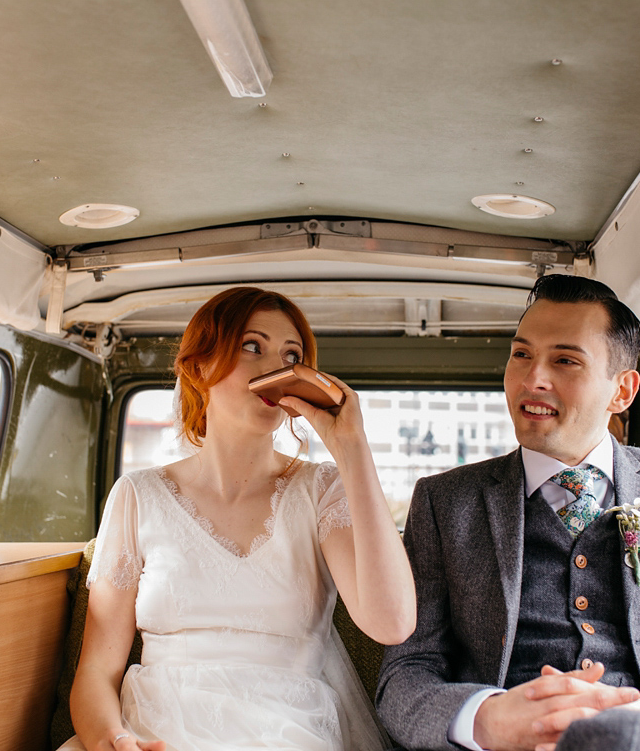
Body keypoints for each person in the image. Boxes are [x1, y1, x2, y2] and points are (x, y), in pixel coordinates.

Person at [376, 275, 640, 751]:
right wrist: (486, 720)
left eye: (565, 360)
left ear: (622, 391)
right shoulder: (444, 503)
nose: (532, 380)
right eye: (521, 354)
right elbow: (404, 676)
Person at [61, 286, 416, 751]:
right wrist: (114, 740)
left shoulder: (320, 489)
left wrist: (352, 448)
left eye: (292, 355)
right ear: (199, 365)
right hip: (150, 728)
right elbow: (95, 672)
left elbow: (392, 624)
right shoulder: (137, 494)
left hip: (289, 730)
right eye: (253, 347)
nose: (276, 368)